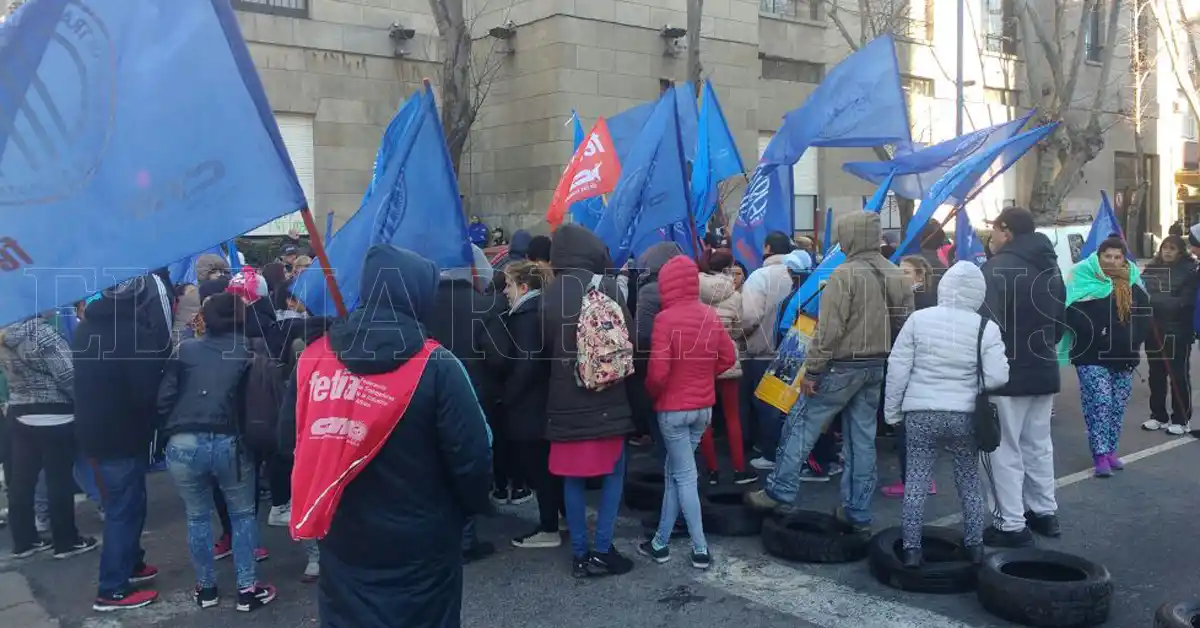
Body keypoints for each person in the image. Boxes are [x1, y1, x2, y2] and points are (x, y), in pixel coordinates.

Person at [281, 244, 492, 628]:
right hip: (422, 540)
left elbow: (288, 441)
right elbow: (474, 459)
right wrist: (464, 513)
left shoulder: (313, 360)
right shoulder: (439, 366)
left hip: (344, 534)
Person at [746, 212, 913, 535]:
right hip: (876, 365)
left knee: (800, 424)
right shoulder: (896, 274)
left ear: (847, 236)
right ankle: (857, 510)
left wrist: (813, 370)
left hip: (840, 365)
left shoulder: (843, 274)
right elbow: (904, 324)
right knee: (861, 440)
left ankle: (779, 490)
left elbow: (829, 330)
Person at [882, 262, 1009, 568]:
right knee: (967, 479)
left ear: (943, 287)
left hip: (920, 413)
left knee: (916, 480)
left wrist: (892, 411)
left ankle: (911, 549)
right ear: (979, 293)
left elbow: (898, 369)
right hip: (964, 415)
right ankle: (975, 545)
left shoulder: (918, 319)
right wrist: (969, 385)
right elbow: (998, 376)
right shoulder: (985, 327)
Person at [156, 293, 276, 611]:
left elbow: (164, 399)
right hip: (230, 441)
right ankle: (247, 589)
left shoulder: (184, 350)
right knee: (242, 515)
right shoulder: (250, 350)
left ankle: (207, 589)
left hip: (183, 440)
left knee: (197, 517)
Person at [74, 275, 174, 611]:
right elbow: (147, 393)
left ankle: (131, 564)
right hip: (124, 435)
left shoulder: (86, 329)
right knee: (123, 510)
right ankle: (112, 589)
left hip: (94, 432)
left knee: (131, 503)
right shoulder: (135, 334)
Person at [541, 224, 636, 578]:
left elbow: (536, 354)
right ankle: (603, 550)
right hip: (609, 400)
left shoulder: (548, 295)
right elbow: (629, 343)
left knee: (572, 479)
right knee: (613, 474)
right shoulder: (608, 287)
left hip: (563, 405)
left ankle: (579, 555)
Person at [639, 256, 736, 569]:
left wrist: (655, 395)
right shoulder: (709, 315)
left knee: (685, 477)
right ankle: (660, 542)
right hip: (703, 409)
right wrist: (706, 377)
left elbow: (657, 374)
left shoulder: (665, 320)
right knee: (675, 475)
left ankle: (700, 548)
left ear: (666, 285)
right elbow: (728, 355)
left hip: (673, 410)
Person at [978, 206, 1066, 547]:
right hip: (1043, 366)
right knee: (1038, 445)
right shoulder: (1051, 266)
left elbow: (986, 327)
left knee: (1003, 449)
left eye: (994, 231)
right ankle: (1044, 513)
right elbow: (1060, 318)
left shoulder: (997, 268)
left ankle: (1009, 524)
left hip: (1006, 374)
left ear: (1005, 230)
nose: (991, 238)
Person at [426, 244, 507, 562]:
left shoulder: (421, 305)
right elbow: (500, 358)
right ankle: (466, 539)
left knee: (434, 463)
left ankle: (440, 534)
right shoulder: (486, 305)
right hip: (476, 393)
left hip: (427, 391)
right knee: (466, 462)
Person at [0, 316, 98, 560]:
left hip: (20, 413)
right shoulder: (44, 335)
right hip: (55, 415)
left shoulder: (4, 337)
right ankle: (65, 540)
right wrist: (85, 404)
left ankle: (24, 541)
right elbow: (68, 376)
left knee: (21, 481)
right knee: (59, 480)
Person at [484, 261, 561, 549]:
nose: (504, 291)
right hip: (540, 402)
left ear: (524, 287)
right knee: (546, 467)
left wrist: (508, 395)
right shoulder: (538, 310)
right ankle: (556, 519)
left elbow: (526, 364)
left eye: (509, 285)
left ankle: (549, 527)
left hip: (530, 406)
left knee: (540, 469)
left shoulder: (526, 316)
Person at [1062, 239, 1149, 477]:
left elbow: (1143, 316)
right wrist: (1095, 330)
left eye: (1117, 257)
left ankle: (1111, 450)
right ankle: (1099, 454)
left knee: (1117, 407)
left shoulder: (1132, 281)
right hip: (1090, 355)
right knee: (1100, 403)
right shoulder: (1081, 276)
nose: (1112, 261)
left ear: (1124, 259)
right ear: (1098, 257)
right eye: (1107, 256)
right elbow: (1070, 312)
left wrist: (1134, 341)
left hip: (1123, 356)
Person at [880, 255, 939, 498]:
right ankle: (922, 479)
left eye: (905, 272)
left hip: (911, 368)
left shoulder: (917, 300)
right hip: (920, 367)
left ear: (919, 275)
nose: (899, 276)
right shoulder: (923, 298)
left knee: (908, 427)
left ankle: (915, 481)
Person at [697, 249, 755, 486]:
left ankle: (711, 470)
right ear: (729, 267)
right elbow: (738, 326)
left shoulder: (695, 288)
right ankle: (740, 468)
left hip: (701, 355)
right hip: (727, 354)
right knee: (732, 416)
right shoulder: (735, 294)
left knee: (705, 419)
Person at [739, 231, 795, 471]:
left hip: (763, 349)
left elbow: (750, 315)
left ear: (767, 248)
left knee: (766, 404)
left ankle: (770, 453)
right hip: (794, 349)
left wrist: (741, 335)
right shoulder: (799, 275)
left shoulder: (760, 276)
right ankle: (789, 453)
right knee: (789, 405)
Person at [1141, 235, 1197, 434]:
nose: (1167, 251)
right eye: (1165, 247)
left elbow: (1184, 302)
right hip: (1153, 329)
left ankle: (1181, 419)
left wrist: (1153, 301)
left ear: (1181, 251)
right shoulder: (1151, 268)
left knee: (1177, 376)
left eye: (1172, 248)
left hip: (1178, 331)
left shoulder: (1190, 271)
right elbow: (1140, 291)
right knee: (1156, 374)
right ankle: (1158, 416)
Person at [632, 242, 685, 453]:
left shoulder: (649, 291)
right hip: (688, 369)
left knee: (663, 430)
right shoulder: (689, 290)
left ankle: (672, 478)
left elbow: (643, 335)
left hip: (658, 366)